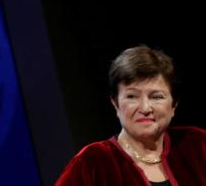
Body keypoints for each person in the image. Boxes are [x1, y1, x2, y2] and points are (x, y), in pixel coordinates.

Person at [55, 45, 205, 186]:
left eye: (156, 97)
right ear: (115, 104)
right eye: (132, 96)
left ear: (174, 105)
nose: (145, 108)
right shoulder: (92, 162)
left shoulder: (197, 144)